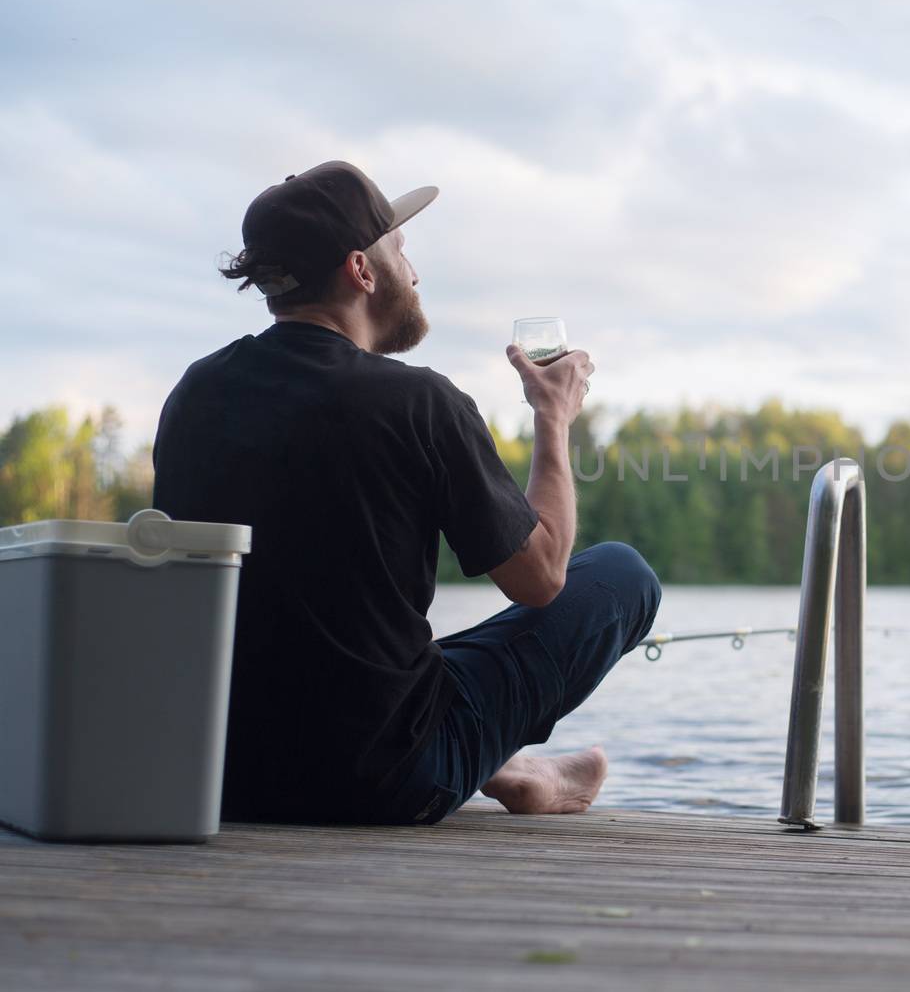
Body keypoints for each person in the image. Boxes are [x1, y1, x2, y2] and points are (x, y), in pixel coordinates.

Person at [152, 161, 661, 825]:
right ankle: (497, 762)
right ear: (362, 270)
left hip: (222, 772)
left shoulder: (196, 393)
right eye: (401, 248)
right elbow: (540, 578)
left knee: (412, 658)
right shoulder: (420, 402)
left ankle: (510, 765)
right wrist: (553, 418)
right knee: (623, 574)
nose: (414, 271)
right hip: (381, 780)